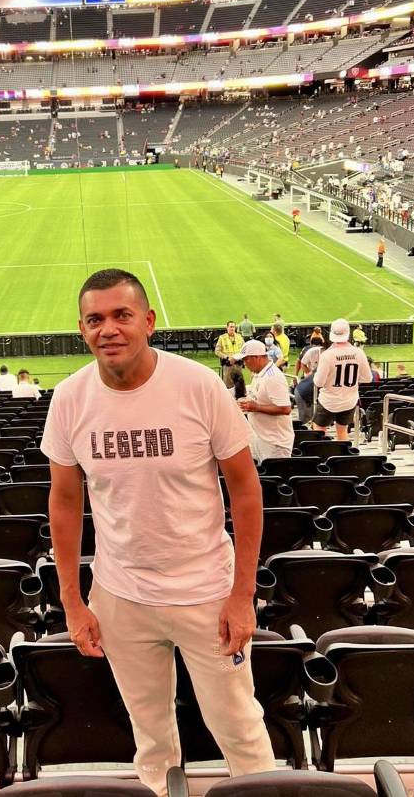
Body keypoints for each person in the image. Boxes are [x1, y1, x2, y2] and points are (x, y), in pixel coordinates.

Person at [42, 268, 275, 797]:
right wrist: (73, 602)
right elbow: (64, 500)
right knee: (150, 739)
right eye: (95, 319)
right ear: (81, 329)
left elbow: (245, 490)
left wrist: (243, 595)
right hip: (121, 596)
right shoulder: (70, 399)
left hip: (206, 593)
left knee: (238, 728)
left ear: (148, 322)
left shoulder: (198, 386)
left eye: (122, 315)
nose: (109, 329)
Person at [312, 317, 372, 441]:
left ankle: (321, 456)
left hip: (329, 401)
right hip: (349, 401)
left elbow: (318, 382)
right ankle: (343, 458)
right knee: (342, 432)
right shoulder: (358, 353)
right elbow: (367, 378)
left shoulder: (327, 355)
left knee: (318, 430)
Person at [235, 339, 295, 463]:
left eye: (246, 359)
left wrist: (256, 408)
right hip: (262, 438)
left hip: (274, 443)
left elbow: (285, 409)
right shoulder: (260, 374)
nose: (244, 364)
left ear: (257, 357)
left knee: (273, 479)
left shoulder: (273, 377)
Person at [215, 321, 244, 387]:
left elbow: (244, 349)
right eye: (230, 327)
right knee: (228, 383)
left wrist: (238, 357)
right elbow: (217, 351)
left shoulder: (239, 337)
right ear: (227, 328)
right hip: (228, 363)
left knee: (238, 384)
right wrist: (227, 357)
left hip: (238, 363)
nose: (232, 328)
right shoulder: (222, 338)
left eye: (233, 327)